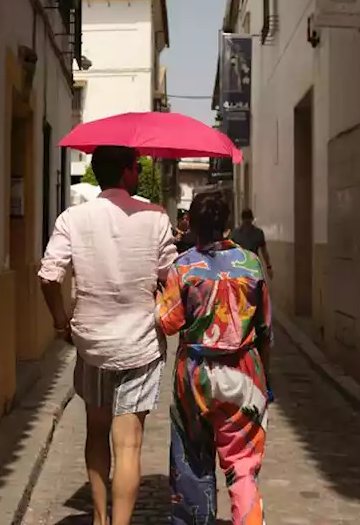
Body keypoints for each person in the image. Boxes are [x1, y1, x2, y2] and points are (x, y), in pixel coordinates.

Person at [38, 145, 177, 525]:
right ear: (129, 172)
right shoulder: (155, 217)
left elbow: (49, 276)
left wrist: (60, 321)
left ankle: (99, 519)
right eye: (136, 166)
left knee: (96, 433)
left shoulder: (73, 218)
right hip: (140, 345)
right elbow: (170, 277)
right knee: (128, 444)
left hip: (92, 345)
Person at [156, 190, 273, 525]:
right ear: (227, 224)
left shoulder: (184, 267)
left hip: (195, 379)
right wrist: (267, 380)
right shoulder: (251, 263)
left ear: (191, 222)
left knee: (192, 467)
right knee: (244, 469)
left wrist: (158, 293)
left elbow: (168, 323)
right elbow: (265, 330)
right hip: (246, 374)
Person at [229, 207, 273, 279]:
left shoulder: (258, 233)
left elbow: (264, 251)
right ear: (242, 220)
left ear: (252, 219)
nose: (247, 225)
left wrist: (268, 267)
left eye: (248, 222)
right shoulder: (235, 234)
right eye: (245, 222)